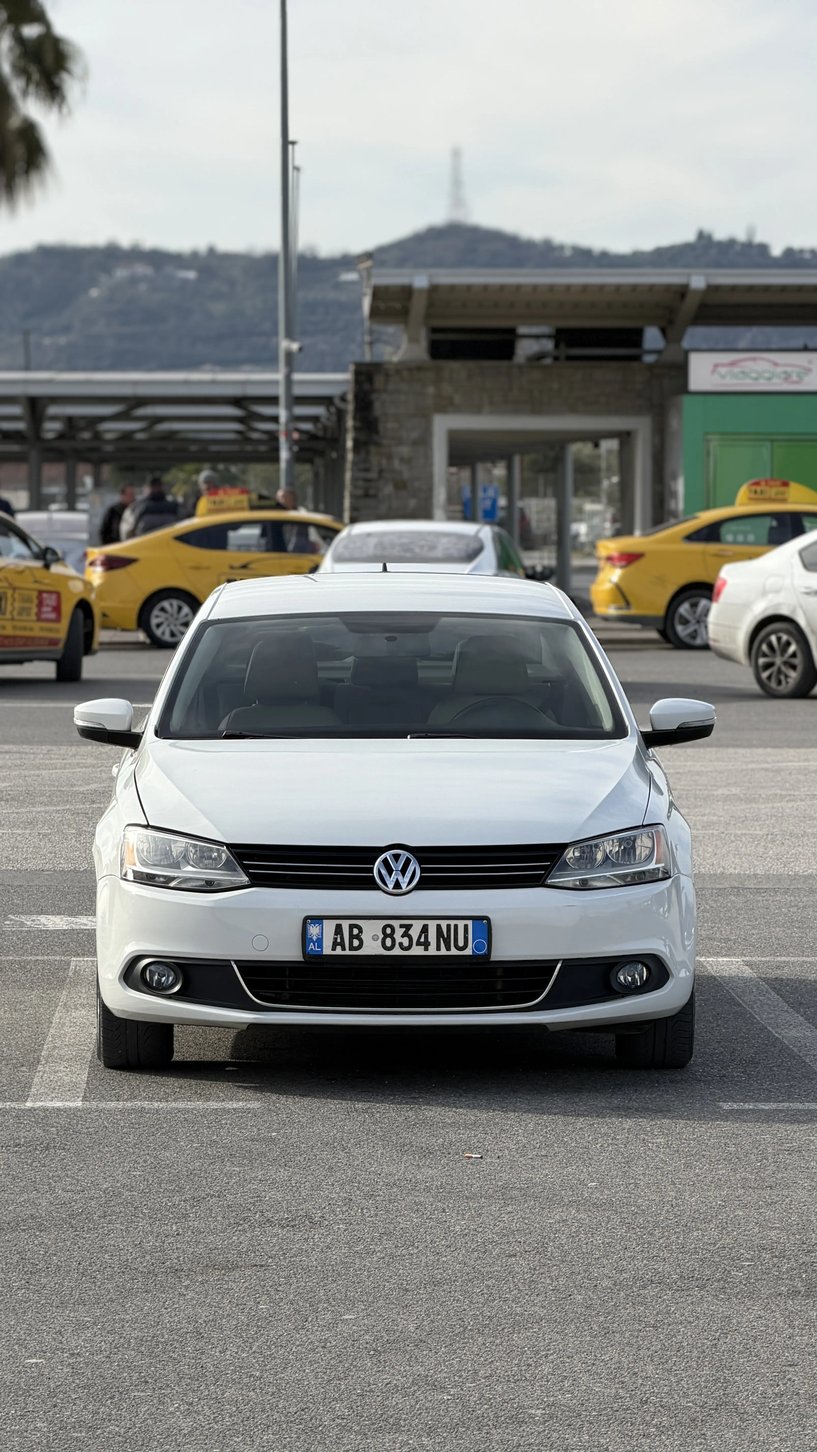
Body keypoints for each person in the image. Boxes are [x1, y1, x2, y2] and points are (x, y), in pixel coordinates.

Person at [120, 476, 179, 540]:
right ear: (162, 487)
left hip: (143, 547)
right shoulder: (176, 507)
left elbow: (126, 532)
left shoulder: (136, 507)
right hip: (172, 547)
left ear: (148, 488)